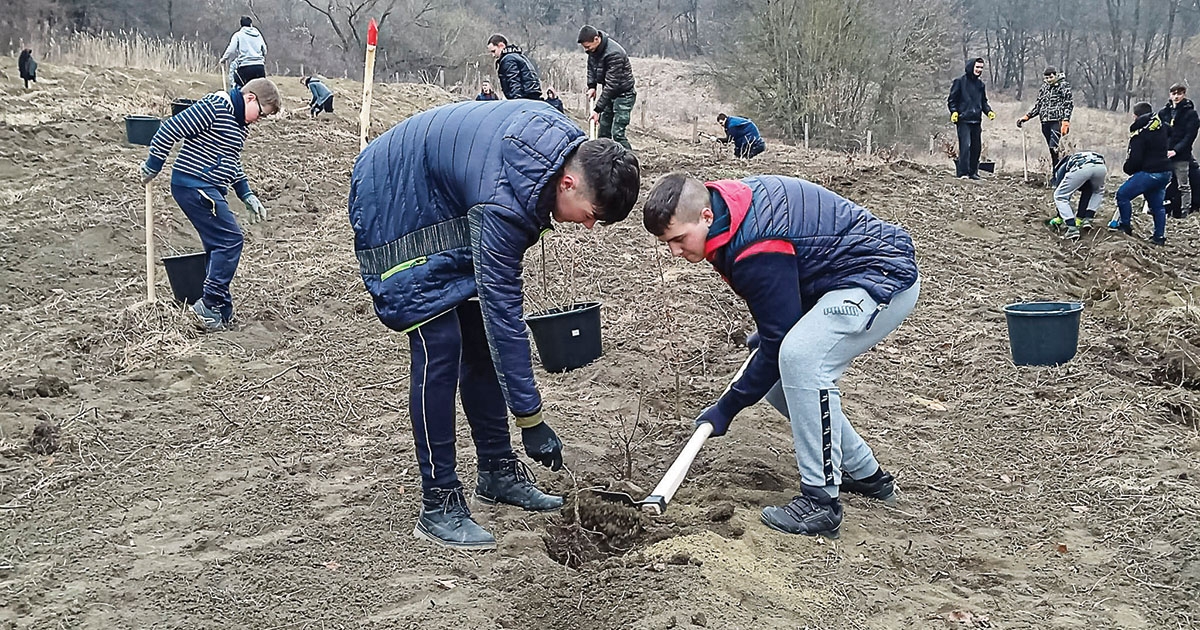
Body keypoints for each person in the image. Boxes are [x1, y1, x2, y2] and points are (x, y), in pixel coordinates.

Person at [347, 100, 641, 550]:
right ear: (568, 182)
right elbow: (504, 311)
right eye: (591, 215)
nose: (588, 228)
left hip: (443, 196)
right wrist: (531, 418)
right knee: (439, 344)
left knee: (478, 339)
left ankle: (496, 471)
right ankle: (439, 502)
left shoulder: (561, 156)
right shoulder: (506, 199)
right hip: (394, 196)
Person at [641, 172, 919, 539]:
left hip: (880, 277)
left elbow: (780, 337)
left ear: (705, 217)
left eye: (678, 239)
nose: (675, 252)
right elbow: (796, 270)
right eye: (667, 244)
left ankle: (821, 502)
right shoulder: (726, 213)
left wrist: (728, 407)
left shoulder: (753, 244)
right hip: (839, 277)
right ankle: (863, 473)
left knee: (800, 359)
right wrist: (777, 322)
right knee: (777, 375)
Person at [140, 78, 280, 330]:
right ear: (250, 99)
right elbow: (170, 128)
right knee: (230, 239)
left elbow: (231, 163)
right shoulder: (216, 106)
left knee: (218, 244)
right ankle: (208, 305)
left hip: (209, 188)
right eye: (260, 113)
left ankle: (221, 310)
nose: (258, 120)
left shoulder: (238, 125)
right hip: (193, 185)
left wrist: (246, 193)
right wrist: (154, 163)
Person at [1110, 102, 1172, 246]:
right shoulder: (1162, 126)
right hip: (1165, 172)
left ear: (1135, 116)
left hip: (1150, 172)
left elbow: (1135, 159)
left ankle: (1124, 226)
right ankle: (1159, 237)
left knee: (1122, 195)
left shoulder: (1140, 132)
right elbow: (1172, 134)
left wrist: (1128, 169)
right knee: (1157, 206)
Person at [578, 25, 636, 150]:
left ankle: (630, 163)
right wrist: (592, 86)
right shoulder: (593, 51)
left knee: (617, 134)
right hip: (609, 94)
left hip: (623, 95)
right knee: (603, 134)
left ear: (596, 39)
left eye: (588, 47)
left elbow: (612, 85)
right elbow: (591, 67)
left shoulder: (614, 54)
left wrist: (597, 109)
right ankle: (603, 162)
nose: (587, 50)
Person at [947, 57, 995, 180]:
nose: (979, 70)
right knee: (966, 146)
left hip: (976, 120)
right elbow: (952, 100)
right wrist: (954, 112)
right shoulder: (959, 82)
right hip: (963, 120)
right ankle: (963, 173)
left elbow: (983, 102)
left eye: (981, 68)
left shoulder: (980, 85)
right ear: (971, 67)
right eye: (977, 67)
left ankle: (973, 172)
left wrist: (988, 111)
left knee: (976, 147)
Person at [1017, 67, 1074, 168]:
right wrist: (1027, 117)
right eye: (1047, 78)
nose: (1049, 80)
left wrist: (1066, 120)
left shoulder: (1063, 86)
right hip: (1045, 122)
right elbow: (1039, 105)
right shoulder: (1044, 88)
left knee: (1054, 147)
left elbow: (1068, 104)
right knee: (1051, 150)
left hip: (1057, 121)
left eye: (1051, 77)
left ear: (1055, 75)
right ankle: (1055, 171)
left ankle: (1058, 172)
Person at [1159, 83, 1199, 215]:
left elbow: (1189, 136)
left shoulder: (1190, 114)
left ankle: (1185, 211)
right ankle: (1156, 207)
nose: (1176, 96)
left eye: (1179, 93)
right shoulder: (1164, 112)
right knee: (1159, 182)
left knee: (1184, 185)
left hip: (1181, 155)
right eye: (1174, 93)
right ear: (1170, 95)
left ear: (1184, 95)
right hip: (1163, 154)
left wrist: (1176, 150)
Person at [1048, 150, 1106, 240]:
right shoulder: (1076, 157)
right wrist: (1080, 217)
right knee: (1097, 191)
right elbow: (1087, 191)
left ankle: (1072, 229)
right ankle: (1087, 219)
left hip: (1081, 168)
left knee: (1059, 196)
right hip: (1100, 166)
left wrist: (1060, 217)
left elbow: (1064, 194)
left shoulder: (1061, 169)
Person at [487, 34, 542, 101]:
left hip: (523, 98)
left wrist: (516, 102)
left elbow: (513, 82)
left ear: (501, 45)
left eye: (494, 51)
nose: (493, 55)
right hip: (532, 96)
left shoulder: (508, 60)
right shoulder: (520, 56)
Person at [220, 16, 267, 87]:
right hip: (260, 67)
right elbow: (264, 50)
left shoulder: (238, 35)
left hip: (245, 67)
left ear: (241, 25)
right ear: (251, 24)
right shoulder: (258, 35)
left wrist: (223, 59)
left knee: (241, 90)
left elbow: (231, 49)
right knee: (260, 92)